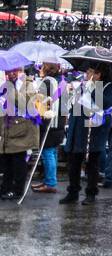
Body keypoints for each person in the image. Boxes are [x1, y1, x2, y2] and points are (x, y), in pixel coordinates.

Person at [61, 68, 112, 205]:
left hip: (95, 128)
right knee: (74, 161)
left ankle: (91, 193)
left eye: (93, 72)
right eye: (88, 72)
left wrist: (94, 89)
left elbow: (105, 103)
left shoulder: (109, 86)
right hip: (78, 126)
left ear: (100, 74)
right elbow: (74, 106)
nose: (88, 75)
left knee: (92, 162)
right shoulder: (82, 84)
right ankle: (73, 192)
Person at [0, 69, 39, 199]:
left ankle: (17, 191)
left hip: (20, 129)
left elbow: (27, 104)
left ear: (19, 71)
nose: (10, 74)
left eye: (13, 71)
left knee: (18, 162)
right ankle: (5, 188)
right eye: (8, 72)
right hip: (7, 128)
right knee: (6, 161)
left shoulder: (27, 84)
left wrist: (12, 92)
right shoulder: (5, 84)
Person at [30, 63, 64, 194]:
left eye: (42, 66)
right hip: (58, 121)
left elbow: (41, 102)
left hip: (49, 121)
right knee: (52, 151)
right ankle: (50, 180)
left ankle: (50, 182)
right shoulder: (61, 81)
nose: (39, 69)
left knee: (47, 151)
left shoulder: (48, 82)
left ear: (47, 69)